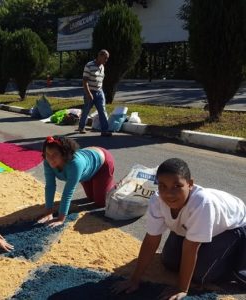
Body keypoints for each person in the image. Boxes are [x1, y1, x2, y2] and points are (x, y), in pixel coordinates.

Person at [112, 158, 246, 299]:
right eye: (163, 186)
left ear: (190, 184)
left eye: (177, 186)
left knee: (200, 275)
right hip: (190, 228)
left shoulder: (202, 203)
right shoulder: (157, 200)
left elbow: (191, 247)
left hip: (234, 228)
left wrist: (182, 288)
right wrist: (134, 279)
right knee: (169, 262)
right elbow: (151, 240)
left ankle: (237, 261)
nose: (169, 193)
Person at [37, 136, 115, 227]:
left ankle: (116, 186)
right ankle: (95, 180)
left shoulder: (75, 164)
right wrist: (48, 212)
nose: (50, 158)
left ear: (64, 154)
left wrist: (61, 218)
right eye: (48, 154)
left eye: (54, 155)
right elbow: (50, 186)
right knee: (91, 198)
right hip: (86, 170)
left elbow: (68, 192)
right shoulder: (47, 162)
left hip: (103, 164)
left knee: (100, 203)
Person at [77, 49, 111, 136]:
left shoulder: (102, 66)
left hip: (99, 92)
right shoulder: (89, 65)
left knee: (102, 110)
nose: (106, 60)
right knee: (86, 110)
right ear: (100, 56)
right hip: (90, 92)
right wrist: (88, 93)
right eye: (105, 58)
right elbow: (85, 81)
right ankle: (81, 127)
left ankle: (105, 130)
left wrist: (100, 90)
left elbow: (100, 80)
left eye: (107, 58)